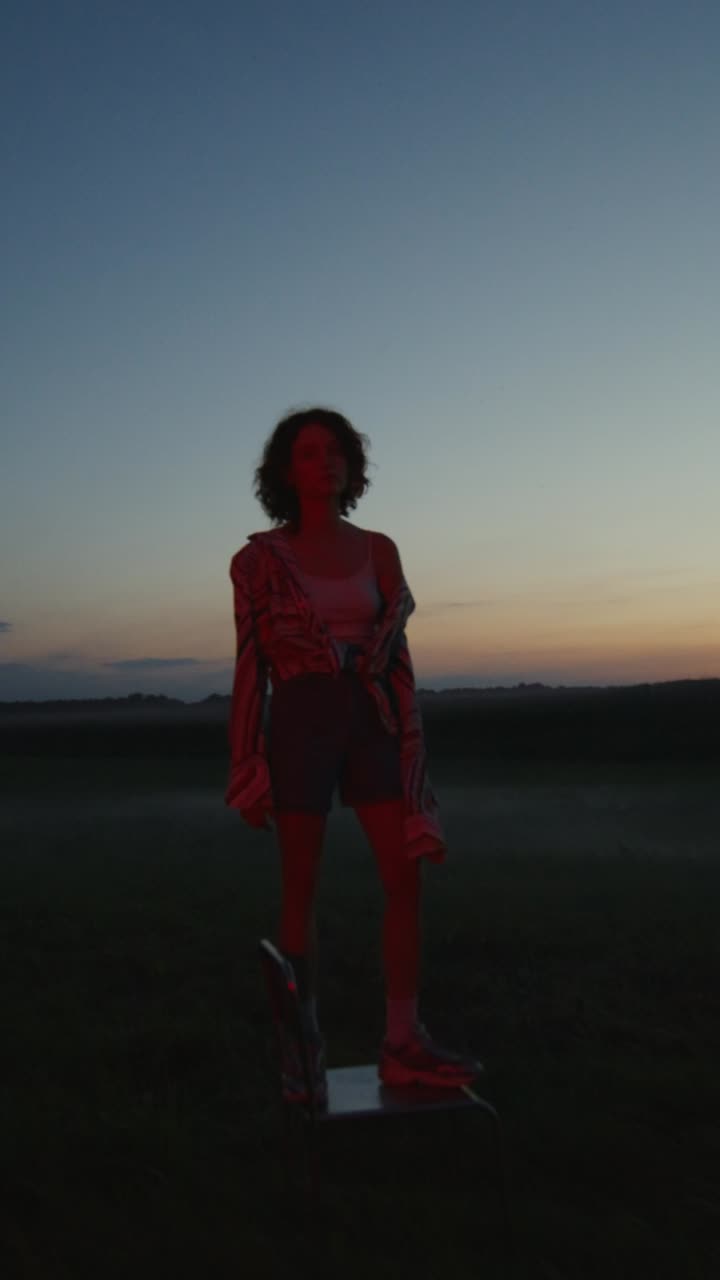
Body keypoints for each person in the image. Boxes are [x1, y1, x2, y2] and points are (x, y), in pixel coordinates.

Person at [226, 406, 483, 1102]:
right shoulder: (256, 561)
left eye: (336, 451)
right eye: (309, 453)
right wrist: (247, 765)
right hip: (301, 719)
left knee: (404, 877)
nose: (326, 462)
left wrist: (410, 751)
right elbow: (251, 665)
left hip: (371, 718)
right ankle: (300, 1049)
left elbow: (398, 658)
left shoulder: (380, 550)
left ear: (351, 467)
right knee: (300, 887)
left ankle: (403, 1041)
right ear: (287, 471)